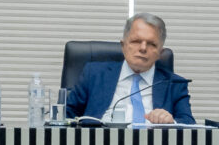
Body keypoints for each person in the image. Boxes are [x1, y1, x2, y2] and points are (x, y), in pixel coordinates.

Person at [63, 14, 194, 125]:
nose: (143, 48)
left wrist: (171, 123)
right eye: (136, 41)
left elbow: (189, 124)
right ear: (123, 45)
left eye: (151, 44)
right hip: (98, 143)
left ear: (160, 52)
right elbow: (66, 115)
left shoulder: (175, 84)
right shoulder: (94, 74)